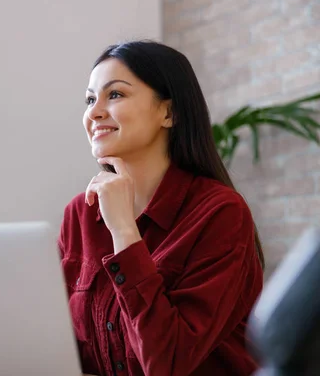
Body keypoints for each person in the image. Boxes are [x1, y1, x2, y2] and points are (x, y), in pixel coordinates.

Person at [58, 40, 264, 376]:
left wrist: (124, 231)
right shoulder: (79, 214)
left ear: (168, 112)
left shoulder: (220, 213)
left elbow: (169, 363)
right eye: (90, 99)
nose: (94, 112)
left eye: (116, 94)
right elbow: (60, 344)